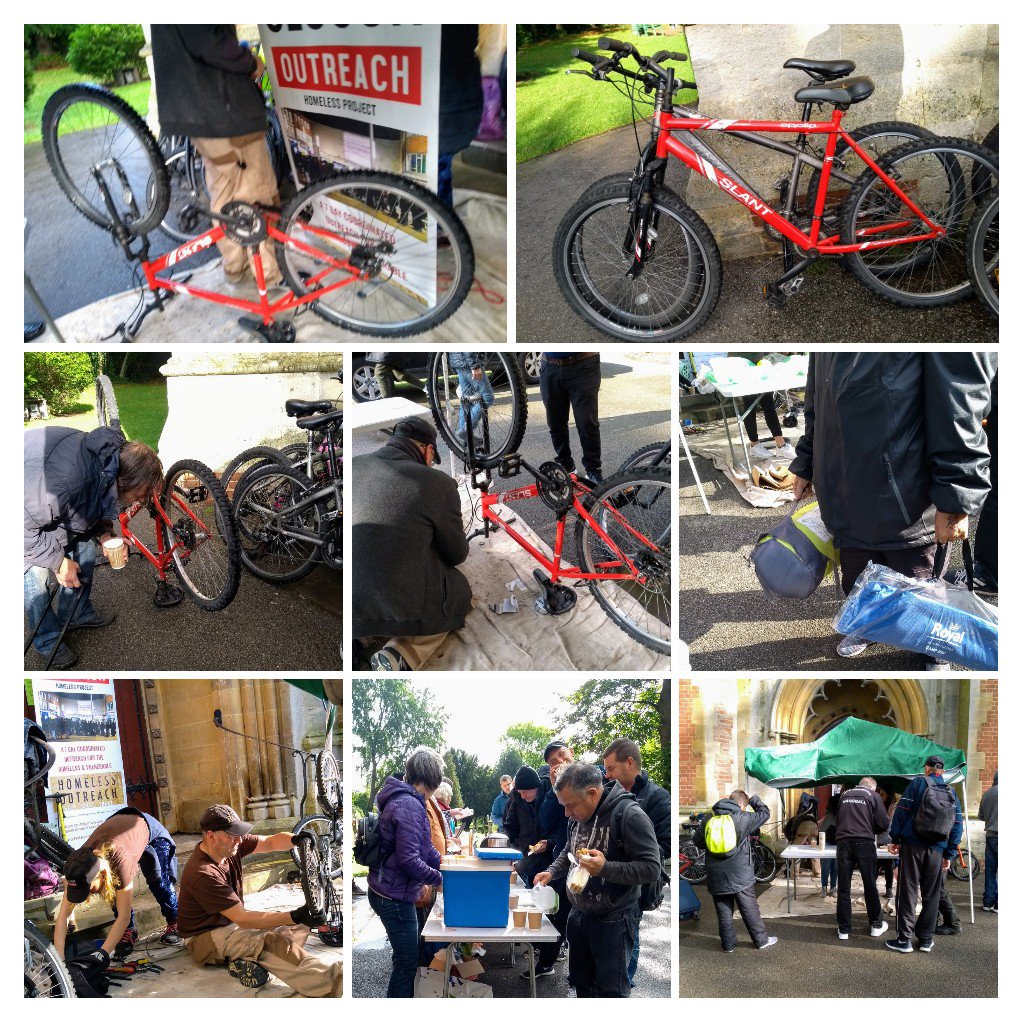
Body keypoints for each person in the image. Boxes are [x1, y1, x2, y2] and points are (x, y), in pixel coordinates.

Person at [789, 352, 995, 661]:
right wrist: (807, 460)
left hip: (906, 490)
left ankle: (934, 649)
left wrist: (956, 495)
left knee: (920, 585)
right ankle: (868, 625)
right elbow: (818, 393)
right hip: (844, 484)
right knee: (858, 577)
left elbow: (960, 399)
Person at [150, 26, 281, 288]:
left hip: (200, 112)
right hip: (224, 108)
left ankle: (236, 268)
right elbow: (208, 41)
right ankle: (267, 276)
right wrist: (250, 61)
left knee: (224, 190)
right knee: (257, 192)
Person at [25, 425, 164, 668]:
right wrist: (58, 563)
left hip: (43, 493)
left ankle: (76, 613)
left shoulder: (109, 466)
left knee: (85, 550)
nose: (142, 500)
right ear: (126, 481)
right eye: (141, 494)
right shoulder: (67, 484)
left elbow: (93, 501)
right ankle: (47, 641)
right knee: (32, 574)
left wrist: (105, 535)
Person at [177, 804, 339, 995]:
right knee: (272, 942)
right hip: (205, 938)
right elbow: (243, 918)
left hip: (230, 922)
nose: (238, 840)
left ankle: (246, 960)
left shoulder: (231, 845)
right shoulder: (202, 872)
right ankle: (334, 982)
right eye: (231, 835)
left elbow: (270, 842)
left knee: (299, 927)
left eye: (238, 833)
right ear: (210, 835)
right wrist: (295, 915)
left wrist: (296, 840)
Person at [352, 418, 471, 671]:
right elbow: (456, 554)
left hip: (350, 598)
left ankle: (357, 641)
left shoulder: (353, 465)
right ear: (428, 450)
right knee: (457, 595)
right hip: (399, 603)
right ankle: (401, 655)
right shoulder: (438, 483)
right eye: (432, 457)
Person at [534, 763, 662, 998]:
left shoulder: (629, 814)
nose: (566, 813)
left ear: (592, 793)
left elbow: (652, 868)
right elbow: (568, 851)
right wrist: (552, 871)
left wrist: (605, 868)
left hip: (614, 919)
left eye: (570, 805)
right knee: (582, 984)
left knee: (611, 991)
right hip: (579, 914)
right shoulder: (576, 815)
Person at [53, 807, 181, 961]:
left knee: (159, 883)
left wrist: (101, 955)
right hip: (121, 829)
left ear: (101, 875)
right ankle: (129, 932)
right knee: (112, 891)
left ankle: (174, 921)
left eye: (90, 889)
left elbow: (124, 916)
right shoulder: (77, 866)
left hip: (151, 832)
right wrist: (59, 960)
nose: (89, 894)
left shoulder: (120, 861)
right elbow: (63, 916)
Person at [368, 747, 445, 997]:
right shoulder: (409, 804)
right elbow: (410, 859)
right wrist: (439, 879)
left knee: (404, 960)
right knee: (405, 964)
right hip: (393, 895)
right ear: (430, 778)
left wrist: (446, 865)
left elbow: (425, 848)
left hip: (391, 889)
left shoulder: (409, 800)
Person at [602, 738, 671, 987]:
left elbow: (665, 844)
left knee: (631, 935)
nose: (607, 775)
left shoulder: (658, 797)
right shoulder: (608, 793)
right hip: (609, 879)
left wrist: (629, 856)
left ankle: (624, 985)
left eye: (611, 769)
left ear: (629, 763)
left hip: (636, 884)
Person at [885, 755, 964, 953]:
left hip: (913, 846)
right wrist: (950, 853)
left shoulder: (917, 783)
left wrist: (895, 839)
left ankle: (904, 940)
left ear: (926, 768)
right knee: (932, 894)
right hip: (938, 849)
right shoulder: (951, 792)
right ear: (942, 772)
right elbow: (957, 825)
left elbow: (901, 812)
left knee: (908, 892)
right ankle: (926, 939)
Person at [701, 790, 777, 953]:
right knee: (749, 908)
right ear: (742, 805)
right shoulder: (743, 818)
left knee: (723, 910)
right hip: (740, 873)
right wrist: (753, 799)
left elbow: (698, 841)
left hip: (716, 874)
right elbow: (765, 813)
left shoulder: (708, 818)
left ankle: (728, 945)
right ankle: (761, 941)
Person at [528, 742, 576, 980]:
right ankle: (547, 961)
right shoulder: (550, 785)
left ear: (571, 753)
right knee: (556, 910)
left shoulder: (594, 775)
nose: (558, 763)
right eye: (552, 762)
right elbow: (546, 821)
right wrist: (554, 788)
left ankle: (574, 965)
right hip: (563, 857)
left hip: (588, 860)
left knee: (580, 919)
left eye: (561, 756)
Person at [834, 777, 890, 941]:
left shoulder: (844, 795)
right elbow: (883, 823)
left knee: (843, 887)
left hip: (843, 842)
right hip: (864, 842)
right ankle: (876, 926)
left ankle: (844, 930)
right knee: (869, 885)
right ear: (873, 787)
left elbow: (838, 819)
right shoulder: (873, 796)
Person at [539, 353, 602, 487]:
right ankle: (565, 465)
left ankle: (593, 470)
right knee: (555, 423)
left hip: (584, 365)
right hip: (549, 365)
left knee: (587, 423)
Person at [729, 352, 796, 461]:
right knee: (750, 404)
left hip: (762, 365)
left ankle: (781, 446)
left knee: (768, 402)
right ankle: (754, 445)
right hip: (742, 366)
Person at [502, 765, 544, 882]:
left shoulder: (547, 799)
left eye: (525, 792)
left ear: (535, 787)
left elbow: (557, 831)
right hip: (524, 858)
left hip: (546, 862)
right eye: (520, 792)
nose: (523, 796)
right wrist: (502, 838)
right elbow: (510, 826)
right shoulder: (517, 800)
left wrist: (549, 843)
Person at [783, 793, 820, 877]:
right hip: (814, 826)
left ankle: (795, 874)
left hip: (804, 827)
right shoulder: (811, 814)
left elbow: (785, 830)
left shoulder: (795, 818)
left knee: (796, 850)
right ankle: (817, 873)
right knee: (814, 850)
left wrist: (791, 840)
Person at [977, 769, 998, 913]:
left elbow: (981, 816)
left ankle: (988, 902)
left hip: (991, 836)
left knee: (990, 870)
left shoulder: (987, 794)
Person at [818, 793, 840, 899]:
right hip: (828, 842)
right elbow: (822, 830)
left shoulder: (838, 814)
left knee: (831, 867)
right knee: (829, 866)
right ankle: (826, 888)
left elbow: (821, 829)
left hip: (835, 842)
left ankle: (831, 888)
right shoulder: (830, 814)